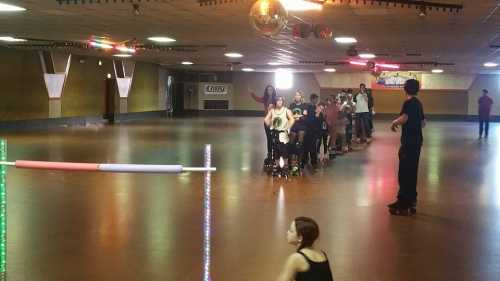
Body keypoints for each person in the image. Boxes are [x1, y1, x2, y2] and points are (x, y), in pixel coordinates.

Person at [388, 79, 426, 215]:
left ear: (405, 89)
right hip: (417, 142)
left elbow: (404, 118)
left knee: (404, 172)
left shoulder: (408, 103)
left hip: (408, 142)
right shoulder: (419, 104)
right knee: (412, 171)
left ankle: (403, 202)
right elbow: (423, 123)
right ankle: (412, 199)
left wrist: (394, 122)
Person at [275, 217, 334, 281]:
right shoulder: (322, 255)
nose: (287, 232)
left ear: (300, 238)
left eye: (291, 231)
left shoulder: (296, 258)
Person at [264, 96, 295, 176]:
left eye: (281, 100)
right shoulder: (272, 111)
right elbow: (266, 119)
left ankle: (285, 167)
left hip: (283, 133)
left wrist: (288, 127)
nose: (279, 102)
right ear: (275, 102)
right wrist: (270, 125)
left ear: (283, 101)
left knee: (284, 151)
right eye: (278, 100)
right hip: (275, 133)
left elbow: (292, 119)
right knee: (276, 151)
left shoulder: (286, 110)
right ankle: (277, 166)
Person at [250, 85, 277, 164]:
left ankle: (275, 154)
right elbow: (257, 99)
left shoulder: (276, 99)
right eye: (268, 89)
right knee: (269, 138)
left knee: (275, 138)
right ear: (266, 91)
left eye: (271, 89)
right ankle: (269, 154)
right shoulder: (265, 99)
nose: (270, 90)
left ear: (273, 90)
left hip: (275, 121)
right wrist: (252, 93)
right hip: (267, 121)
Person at [289, 91, 309, 174]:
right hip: (293, 126)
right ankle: (291, 162)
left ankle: (299, 162)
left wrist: (297, 117)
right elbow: (289, 116)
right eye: (296, 95)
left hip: (302, 126)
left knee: (299, 143)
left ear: (301, 97)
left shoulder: (305, 105)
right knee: (291, 143)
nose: (297, 96)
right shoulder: (292, 105)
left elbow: (304, 117)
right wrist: (298, 117)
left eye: (299, 95)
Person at [305, 94, 321, 168]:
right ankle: (305, 160)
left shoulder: (316, 107)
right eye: (315, 99)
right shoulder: (307, 107)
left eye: (317, 100)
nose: (316, 101)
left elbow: (318, 119)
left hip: (314, 129)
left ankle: (313, 161)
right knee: (306, 145)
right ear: (312, 99)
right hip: (307, 129)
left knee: (313, 146)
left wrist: (318, 114)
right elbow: (305, 118)